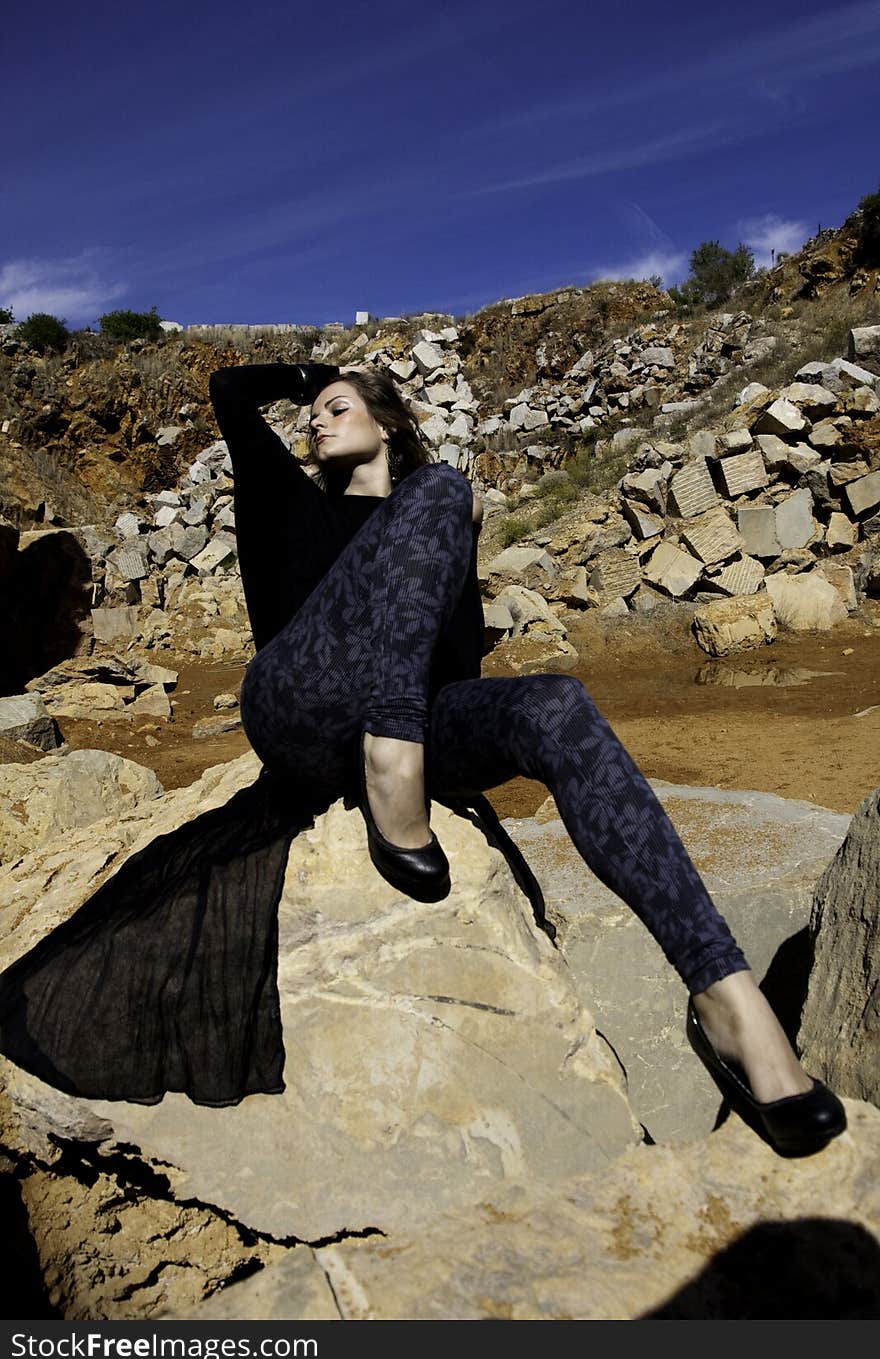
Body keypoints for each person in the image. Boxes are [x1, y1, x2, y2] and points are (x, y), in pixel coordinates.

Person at [207, 359, 847, 1160]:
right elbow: (230, 392)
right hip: (298, 706)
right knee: (442, 489)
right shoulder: (290, 498)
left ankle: (727, 998)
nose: (316, 421)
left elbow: (453, 670)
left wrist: (455, 538)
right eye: (313, 413)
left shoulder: (437, 510)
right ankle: (391, 762)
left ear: (388, 424)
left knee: (556, 704)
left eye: (338, 408)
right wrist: (315, 373)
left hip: (412, 719)